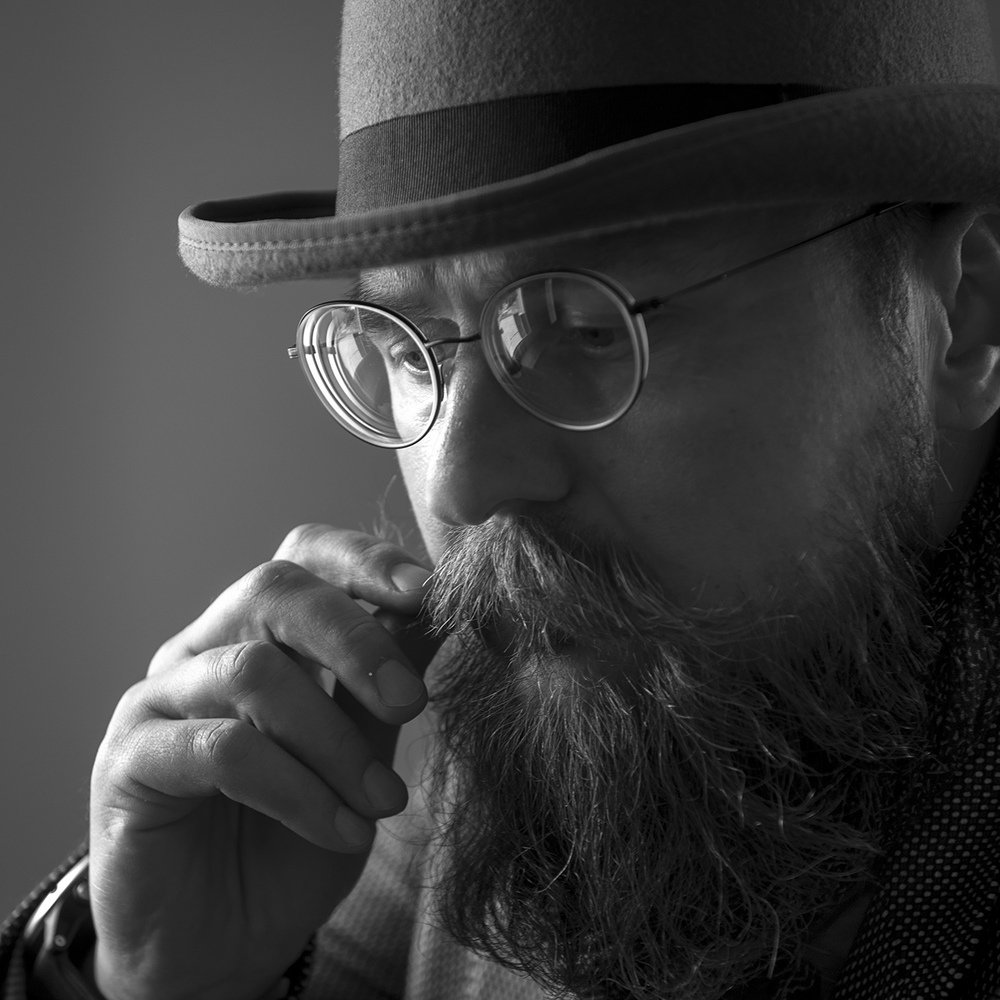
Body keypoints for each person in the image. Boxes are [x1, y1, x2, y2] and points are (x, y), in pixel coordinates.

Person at [4, 0, 1000, 997]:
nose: (458, 482)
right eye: (412, 345)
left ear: (962, 314)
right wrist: (147, 980)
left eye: (584, 325)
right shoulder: (463, 805)